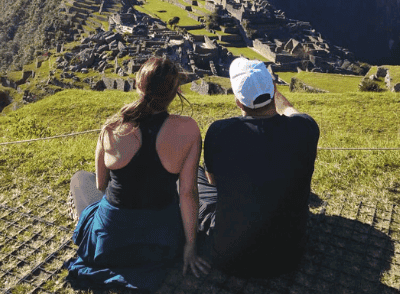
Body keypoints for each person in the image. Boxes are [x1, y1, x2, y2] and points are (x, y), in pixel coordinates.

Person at [65, 56, 210, 293]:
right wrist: (190, 248)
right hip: (161, 240)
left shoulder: (112, 128)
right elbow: (187, 193)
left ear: (138, 85)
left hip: (111, 240)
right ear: (175, 93)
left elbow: (102, 184)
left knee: (81, 179)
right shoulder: (189, 129)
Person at [197, 57, 319, 278]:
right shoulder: (306, 129)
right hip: (288, 256)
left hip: (230, 257)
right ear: (273, 90)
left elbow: (213, 181)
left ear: (238, 102)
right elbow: (291, 111)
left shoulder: (220, 132)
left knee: (194, 175)